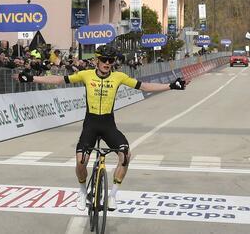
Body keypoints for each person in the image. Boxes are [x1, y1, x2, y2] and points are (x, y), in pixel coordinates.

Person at [18, 45, 188, 211]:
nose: (107, 63)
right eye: (104, 60)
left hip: (108, 125)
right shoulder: (85, 75)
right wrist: (32, 78)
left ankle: (113, 195)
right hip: (90, 124)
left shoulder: (119, 77)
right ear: (97, 61)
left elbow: (144, 86)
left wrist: (171, 86)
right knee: (80, 162)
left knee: (126, 155)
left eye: (110, 60)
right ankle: (83, 192)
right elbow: (59, 80)